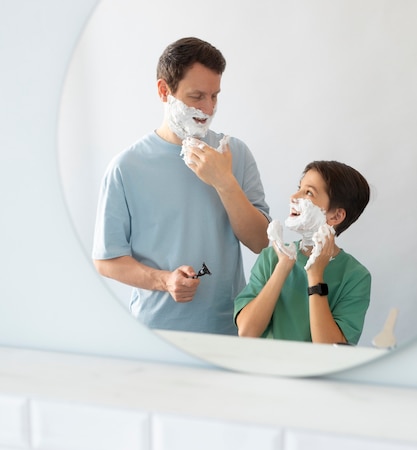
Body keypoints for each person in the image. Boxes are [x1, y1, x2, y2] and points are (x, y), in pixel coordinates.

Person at [92, 36, 270, 335]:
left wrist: (224, 182)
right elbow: (107, 260)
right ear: (164, 91)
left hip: (232, 329)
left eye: (215, 96)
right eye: (197, 96)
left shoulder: (234, 154)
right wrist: (165, 280)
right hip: (158, 333)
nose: (208, 108)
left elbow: (261, 243)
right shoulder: (126, 167)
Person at [234, 160, 371, 344]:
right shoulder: (272, 257)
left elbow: (331, 350)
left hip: (317, 372)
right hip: (266, 369)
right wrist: (283, 267)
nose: (293, 196)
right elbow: (247, 332)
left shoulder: (355, 276)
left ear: (336, 216)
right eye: (299, 188)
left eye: (308, 192)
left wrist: (315, 276)